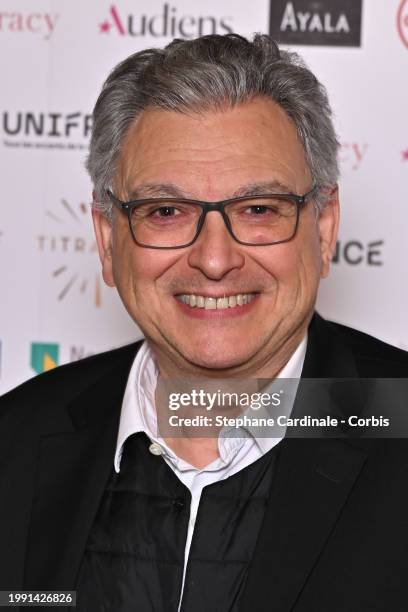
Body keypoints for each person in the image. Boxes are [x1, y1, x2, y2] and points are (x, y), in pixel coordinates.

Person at [1, 33, 408, 612]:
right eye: (165, 212)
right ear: (107, 237)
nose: (215, 259)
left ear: (323, 228)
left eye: (259, 209)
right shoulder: (13, 443)